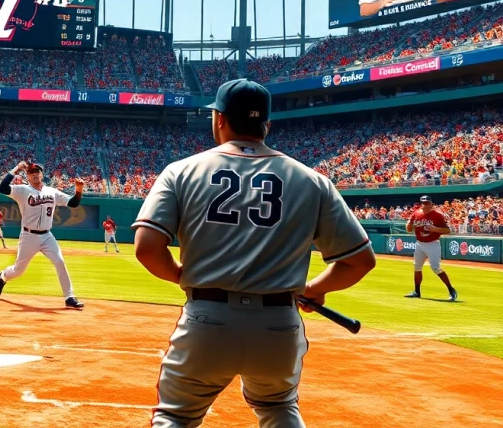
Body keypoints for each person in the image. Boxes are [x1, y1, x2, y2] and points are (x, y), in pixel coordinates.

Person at [133, 78, 377, 428]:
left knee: (175, 417)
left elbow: (147, 248)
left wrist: (180, 275)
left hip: (207, 319)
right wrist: (313, 289)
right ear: (266, 125)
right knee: (278, 408)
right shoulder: (312, 180)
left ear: (220, 119)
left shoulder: (181, 170)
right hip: (278, 325)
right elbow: (360, 260)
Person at [0, 161, 85, 309]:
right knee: (18, 270)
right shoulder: (22, 190)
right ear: (27, 176)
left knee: (60, 261)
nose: (35, 174)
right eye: (31, 172)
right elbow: (2, 188)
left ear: (42, 174)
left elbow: (73, 203)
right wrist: (16, 169)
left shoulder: (52, 191)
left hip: (47, 236)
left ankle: (69, 297)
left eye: (37, 171)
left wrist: (79, 190)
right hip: (28, 236)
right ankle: (3, 276)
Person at [404, 195, 458, 301]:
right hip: (420, 244)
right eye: (423, 203)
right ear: (421, 204)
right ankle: (417, 291)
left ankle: (451, 290)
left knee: (436, 268)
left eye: (427, 203)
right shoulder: (416, 213)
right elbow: (409, 229)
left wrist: (435, 229)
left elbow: (447, 230)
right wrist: (410, 224)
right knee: (417, 267)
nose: (425, 205)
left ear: (431, 204)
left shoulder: (437, 215)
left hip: (433, 244)